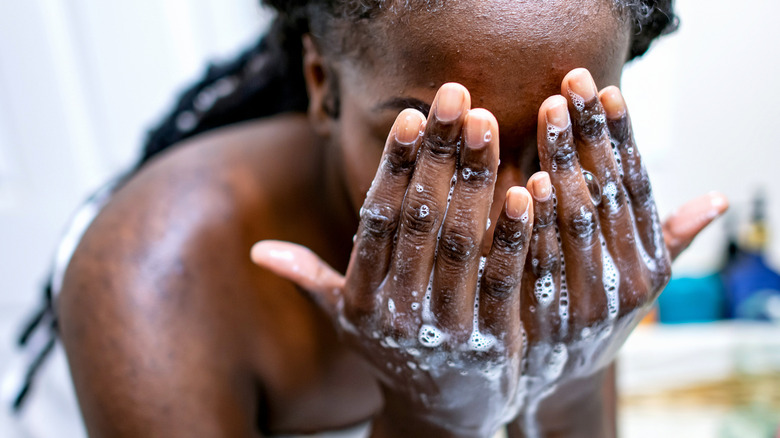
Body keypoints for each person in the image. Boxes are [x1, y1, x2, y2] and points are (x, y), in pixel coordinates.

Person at [40, 0, 727, 436]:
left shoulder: (561, 218)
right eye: (441, 147)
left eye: (561, 138)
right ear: (322, 85)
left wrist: (569, 384)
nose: (504, 217)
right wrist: (430, 417)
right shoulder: (152, 279)